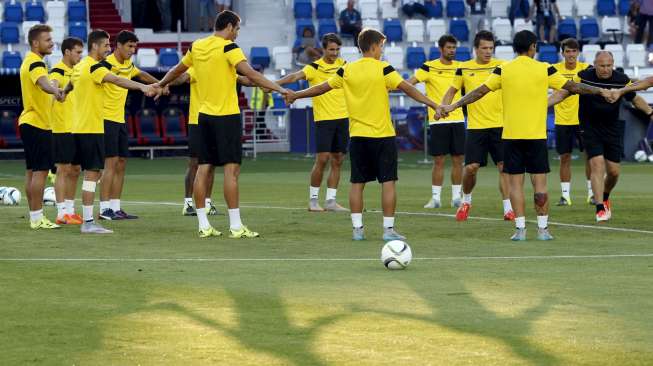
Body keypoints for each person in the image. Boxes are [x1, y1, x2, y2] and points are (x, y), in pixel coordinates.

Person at [437, 30, 610, 241]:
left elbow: (479, 92)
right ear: (533, 47)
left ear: (514, 48)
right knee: (540, 186)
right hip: (536, 136)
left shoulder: (503, 69)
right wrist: (601, 91)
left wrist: (453, 105)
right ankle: (543, 229)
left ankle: (520, 229)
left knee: (516, 185)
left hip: (510, 135)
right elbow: (573, 87)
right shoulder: (544, 69)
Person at [285, 28, 441, 241]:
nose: (382, 51)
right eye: (382, 47)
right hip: (383, 135)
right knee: (388, 182)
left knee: (357, 183)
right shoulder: (384, 68)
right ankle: (388, 231)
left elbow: (321, 88)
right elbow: (407, 88)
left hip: (358, 136)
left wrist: (296, 94)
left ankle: (358, 230)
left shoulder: (347, 70)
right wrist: (433, 104)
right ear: (375, 46)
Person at [156, 10, 290, 238]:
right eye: (237, 29)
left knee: (203, 168)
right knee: (231, 171)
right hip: (226, 116)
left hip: (203, 116)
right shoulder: (229, 47)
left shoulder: (197, 46)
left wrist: (160, 84)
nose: (237, 33)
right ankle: (236, 226)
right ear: (229, 27)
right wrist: (279, 89)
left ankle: (203, 225)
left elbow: (177, 70)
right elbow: (251, 74)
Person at [69, 30, 160, 234]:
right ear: (95, 46)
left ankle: (95, 215)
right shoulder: (96, 67)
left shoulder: (81, 66)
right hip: (95, 124)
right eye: (106, 46)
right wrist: (143, 88)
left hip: (84, 125)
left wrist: (61, 93)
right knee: (93, 173)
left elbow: (70, 83)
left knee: (93, 172)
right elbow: (117, 80)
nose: (108, 49)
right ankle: (92, 218)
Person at [558, 51, 653, 222]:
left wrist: (650, 112)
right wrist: (545, 104)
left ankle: (605, 195)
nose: (605, 69)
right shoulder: (584, 76)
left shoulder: (621, 79)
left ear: (613, 64)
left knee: (614, 172)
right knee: (597, 163)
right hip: (589, 127)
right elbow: (565, 92)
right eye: (602, 66)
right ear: (595, 64)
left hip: (611, 129)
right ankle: (600, 207)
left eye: (609, 65)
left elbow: (635, 98)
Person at [440, 30, 515, 221]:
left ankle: (508, 208)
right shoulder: (464, 68)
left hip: (501, 125)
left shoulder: (504, 66)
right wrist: (443, 107)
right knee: (471, 168)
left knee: (503, 167)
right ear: (476, 49)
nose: (488, 51)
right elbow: (451, 91)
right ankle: (466, 201)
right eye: (484, 48)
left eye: (491, 48)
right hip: (476, 127)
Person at [276, 33, 349, 212]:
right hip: (324, 119)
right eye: (332, 49)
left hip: (344, 118)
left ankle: (331, 201)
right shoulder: (315, 67)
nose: (335, 53)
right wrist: (274, 84)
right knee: (322, 159)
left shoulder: (345, 66)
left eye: (338, 49)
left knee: (338, 160)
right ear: (323, 49)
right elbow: (294, 77)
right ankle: (313, 200)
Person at [98, 30, 165, 221]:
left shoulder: (128, 64)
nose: (132, 50)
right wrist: (149, 86)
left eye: (135, 47)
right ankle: (104, 210)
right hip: (105, 119)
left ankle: (116, 208)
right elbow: (121, 80)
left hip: (119, 119)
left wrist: (161, 83)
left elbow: (141, 74)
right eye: (129, 46)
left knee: (121, 164)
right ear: (118, 45)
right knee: (109, 164)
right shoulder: (104, 65)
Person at [408, 35, 464, 209]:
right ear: (441, 49)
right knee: (438, 161)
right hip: (437, 121)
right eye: (448, 47)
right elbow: (409, 84)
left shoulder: (461, 67)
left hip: (458, 119)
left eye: (454, 47)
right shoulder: (429, 66)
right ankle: (436, 198)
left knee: (458, 160)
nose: (452, 50)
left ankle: (457, 198)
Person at [18, 24, 65, 230]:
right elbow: (43, 84)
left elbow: (46, 84)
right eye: (47, 40)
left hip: (30, 123)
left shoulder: (30, 61)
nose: (52, 43)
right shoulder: (36, 63)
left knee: (31, 172)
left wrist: (56, 89)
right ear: (35, 43)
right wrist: (54, 91)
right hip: (37, 124)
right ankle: (37, 219)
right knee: (40, 172)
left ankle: (34, 216)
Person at [548, 38, 594, 207]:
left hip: (582, 120)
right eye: (568, 51)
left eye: (574, 51)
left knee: (590, 157)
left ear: (578, 53)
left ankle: (592, 194)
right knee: (564, 158)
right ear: (563, 53)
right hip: (562, 121)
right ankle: (565, 196)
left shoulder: (586, 69)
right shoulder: (553, 70)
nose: (571, 54)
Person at [170, 67, 221, 217]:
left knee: (211, 164)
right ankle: (188, 203)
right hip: (197, 121)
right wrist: (165, 83)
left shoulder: (220, 68)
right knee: (194, 163)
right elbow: (182, 78)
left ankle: (207, 203)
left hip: (216, 119)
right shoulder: (196, 68)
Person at [50, 37, 84, 225]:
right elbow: (53, 85)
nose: (80, 56)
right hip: (62, 127)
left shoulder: (78, 72)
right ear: (67, 52)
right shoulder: (57, 70)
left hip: (77, 127)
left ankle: (70, 211)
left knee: (76, 169)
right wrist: (57, 92)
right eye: (78, 52)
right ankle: (61, 211)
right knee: (63, 169)